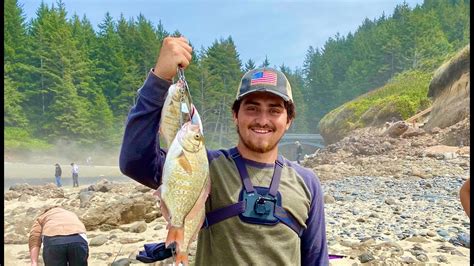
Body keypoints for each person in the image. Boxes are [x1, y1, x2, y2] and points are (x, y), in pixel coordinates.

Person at [119, 36, 328, 265]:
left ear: (288, 120)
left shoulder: (307, 183)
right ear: (235, 115)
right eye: (252, 108)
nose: (262, 119)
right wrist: (159, 78)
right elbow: (134, 160)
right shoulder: (206, 166)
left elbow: (316, 259)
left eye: (275, 110)